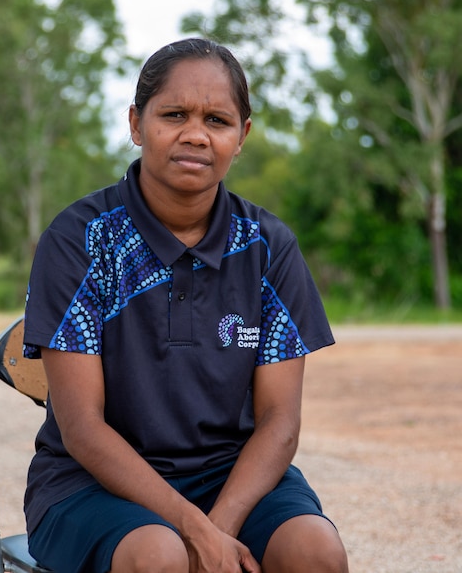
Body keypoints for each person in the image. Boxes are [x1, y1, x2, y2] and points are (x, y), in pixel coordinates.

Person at [22, 37, 349, 573]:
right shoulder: (80, 240)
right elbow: (82, 429)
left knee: (316, 551)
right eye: (174, 115)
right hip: (92, 486)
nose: (195, 134)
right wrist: (190, 528)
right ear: (136, 124)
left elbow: (279, 422)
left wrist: (215, 528)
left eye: (217, 121)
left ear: (240, 136)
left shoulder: (267, 248)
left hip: (231, 477)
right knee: (160, 555)